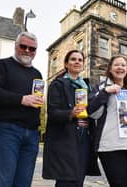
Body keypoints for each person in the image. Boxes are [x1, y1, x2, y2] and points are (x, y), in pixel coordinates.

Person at [0, 32, 43, 186]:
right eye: (23, 46)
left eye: (32, 48)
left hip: (31, 135)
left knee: (23, 183)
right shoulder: (2, 65)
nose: (27, 51)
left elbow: (34, 103)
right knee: (3, 181)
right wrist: (22, 99)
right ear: (16, 46)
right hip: (7, 131)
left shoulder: (37, 74)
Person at [88, 55, 127, 187]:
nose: (120, 68)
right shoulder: (100, 88)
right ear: (110, 68)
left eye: (123, 65)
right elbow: (92, 113)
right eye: (116, 65)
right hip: (111, 145)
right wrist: (106, 92)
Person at [42, 50, 100, 187]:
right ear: (66, 64)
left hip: (84, 137)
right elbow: (53, 111)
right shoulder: (57, 84)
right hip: (65, 138)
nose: (77, 62)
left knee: (78, 180)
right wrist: (70, 113)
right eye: (73, 59)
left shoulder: (87, 86)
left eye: (80, 60)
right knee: (66, 180)